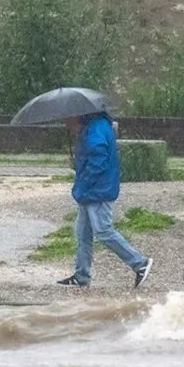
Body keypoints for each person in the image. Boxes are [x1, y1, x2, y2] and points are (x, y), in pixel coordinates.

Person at [57, 110, 154, 289]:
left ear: (77, 113)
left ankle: (139, 263)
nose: (65, 121)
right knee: (82, 233)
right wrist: (78, 164)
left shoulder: (95, 129)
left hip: (97, 191)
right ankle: (81, 275)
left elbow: (97, 161)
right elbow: (94, 157)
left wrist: (83, 181)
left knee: (103, 231)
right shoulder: (95, 127)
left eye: (66, 117)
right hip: (92, 190)